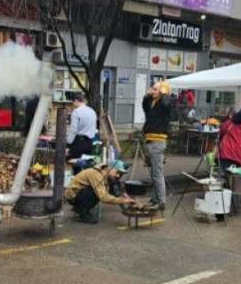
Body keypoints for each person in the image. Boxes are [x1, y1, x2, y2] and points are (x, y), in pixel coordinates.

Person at [64, 160, 138, 224]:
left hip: (77, 194)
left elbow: (111, 192)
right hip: (72, 196)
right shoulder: (97, 175)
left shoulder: (103, 174)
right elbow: (103, 197)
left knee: (97, 190)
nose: (118, 175)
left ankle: (80, 209)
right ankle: (82, 214)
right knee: (95, 192)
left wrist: (124, 197)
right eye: (117, 172)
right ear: (109, 167)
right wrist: (123, 200)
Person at [142, 81, 174, 210]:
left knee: (157, 173)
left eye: (155, 89)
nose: (152, 91)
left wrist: (165, 92)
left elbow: (167, 103)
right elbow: (145, 108)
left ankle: (161, 201)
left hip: (158, 142)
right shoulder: (153, 102)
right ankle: (156, 197)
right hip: (150, 140)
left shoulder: (166, 103)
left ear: (162, 92)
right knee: (154, 172)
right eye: (152, 88)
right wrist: (146, 96)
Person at [66, 93, 97, 169]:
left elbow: (73, 130)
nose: (72, 104)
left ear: (76, 101)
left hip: (79, 142)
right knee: (88, 165)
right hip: (90, 142)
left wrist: (68, 145)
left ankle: (77, 179)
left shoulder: (76, 112)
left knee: (75, 165)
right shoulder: (92, 111)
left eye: (72, 102)